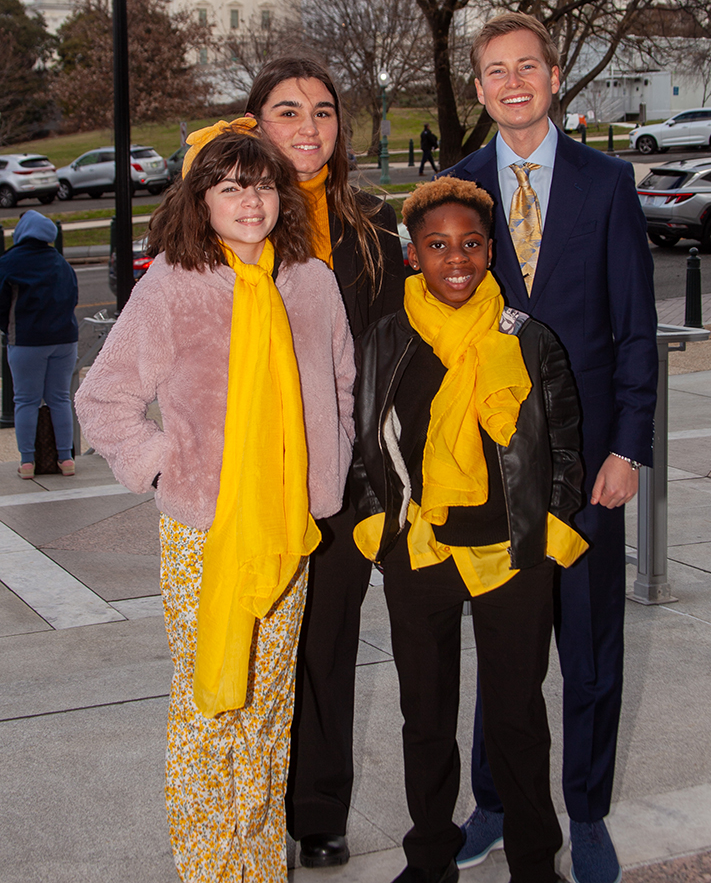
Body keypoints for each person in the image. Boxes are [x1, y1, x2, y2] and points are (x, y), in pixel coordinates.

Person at [75, 122, 356, 882]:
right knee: (211, 704)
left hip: (288, 524)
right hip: (208, 533)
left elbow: (338, 386)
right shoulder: (173, 286)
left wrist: (327, 466)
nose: (250, 199)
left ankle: (259, 866)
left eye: (262, 183)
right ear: (200, 199)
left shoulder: (312, 280)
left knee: (268, 707)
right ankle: (209, 868)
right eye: (230, 186)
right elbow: (102, 400)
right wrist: (168, 470)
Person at [447, 13, 658, 883]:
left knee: (590, 648)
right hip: (495, 468)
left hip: (590, 465)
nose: (512, 81)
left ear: (555, 75)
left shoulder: (606, 182)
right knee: (504, 652)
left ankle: (589, 810)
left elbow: (635, 330)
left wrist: (629, 449)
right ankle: (494, 803)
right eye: (495, 69)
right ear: (479, 88)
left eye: (526, 65)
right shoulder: (458, 188)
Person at [350, 177, 588, 883]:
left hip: (513, 554)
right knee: (424, 717)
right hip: (418, 550)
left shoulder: (527, 336)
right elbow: (364, 439)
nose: (457, 258)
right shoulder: (387, 337)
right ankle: (429, 857)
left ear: (490, 251)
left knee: (517, 717)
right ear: (414, 255)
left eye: (471, 244)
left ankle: (535, 863)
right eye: (438, 245)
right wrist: (377, 526)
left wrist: (550, 519)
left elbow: (566, 441)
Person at [244, 55, 406, 869]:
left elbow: (386, 355)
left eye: (322, 112)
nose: (309, 128)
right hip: (252, 480)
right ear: (256, 123)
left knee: (329, 646)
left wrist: (374, 474)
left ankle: (319, 810)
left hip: (344, 478)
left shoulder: (371, 224)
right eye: (287, 111)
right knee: (262, 646)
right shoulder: (232, 217)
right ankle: (254, 800)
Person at [0, 210, 79, 478]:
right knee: (60, 399)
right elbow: (73, 297)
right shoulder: (60, 262)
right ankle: (66, 459)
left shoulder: (10, 262)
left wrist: (8, 329)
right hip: (65, 340)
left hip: (27, 341)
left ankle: (27, 462)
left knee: (25, 400)